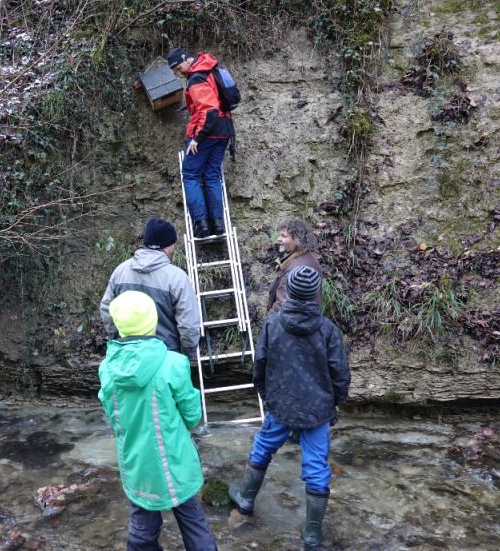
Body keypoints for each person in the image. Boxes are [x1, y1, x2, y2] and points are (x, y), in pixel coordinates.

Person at [228, 266, 350, 551]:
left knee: (264, 446)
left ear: (290, 292)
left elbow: (259, 366)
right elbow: (341, 374)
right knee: (317, 466)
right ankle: (311, 536)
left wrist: (267, 396)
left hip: (281, 404)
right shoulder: (328, 330)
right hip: (316, 410)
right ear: (316, 295)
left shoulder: (272, 324)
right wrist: (334, 403)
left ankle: (245, 498)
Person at [99, 290, 218, 551]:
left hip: (137, 463)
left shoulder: (107, 368)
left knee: (142, 530)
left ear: (118, 326)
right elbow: (192, 415)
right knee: (193, 523)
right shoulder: (173, 363)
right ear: (153, 322)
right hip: (175, 460)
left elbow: (112, 415)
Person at [100, 217, 200, 359]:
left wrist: (116, 338)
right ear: (166, 246)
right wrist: (188, 354)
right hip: (166, 357)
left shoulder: (120, 271)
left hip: (128, 357)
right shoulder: (177, 278)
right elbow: (188, 325)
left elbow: (106, 309)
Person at [167, 47, 234, 239]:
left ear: (186, 59)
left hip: (208, 132)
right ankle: (218, 225)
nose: (180, 73)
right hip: (224, 130)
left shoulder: (196, 78)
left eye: (179, 68)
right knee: (212, 175)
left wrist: (197, 138)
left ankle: (202, 225)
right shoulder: (209, 68)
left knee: (190, 175)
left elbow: (210, 111)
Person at [267, 217, 323, 314]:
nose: (279, 239)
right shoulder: (304, 258)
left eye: (283, 236)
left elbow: (281, 306)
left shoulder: (299, 268)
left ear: (297, 239)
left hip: (291, 326)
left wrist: (268, 323)